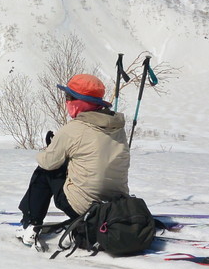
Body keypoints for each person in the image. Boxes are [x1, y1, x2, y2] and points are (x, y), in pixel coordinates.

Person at [17, 73, 131, 244]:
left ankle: (31, 225)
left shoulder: (74, 128)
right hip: (115, 205)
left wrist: (48, 149)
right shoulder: (117, 128)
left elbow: (47, 162)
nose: (66, 101)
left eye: (68, 97)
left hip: (84, 208)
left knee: (44, 172)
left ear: (79, 102)